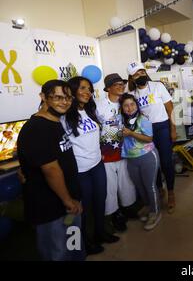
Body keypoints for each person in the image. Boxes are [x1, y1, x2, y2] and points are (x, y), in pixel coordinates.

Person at [17, 80, 84, 261]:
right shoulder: (36, 128)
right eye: (58, 97)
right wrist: (68, 201)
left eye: (68, 97)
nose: (64, 102)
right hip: (52, 208)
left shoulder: (56, 122)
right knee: (58, 253)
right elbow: (51, 171)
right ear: (43, 97)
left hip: (70, 203)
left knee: (74, 245)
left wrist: (73, 198)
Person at [63, 76, 119, 256]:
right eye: (83, 88)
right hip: (81, 170)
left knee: (100, 199)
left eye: (89, 89)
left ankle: (100, 233)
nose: (88, 92)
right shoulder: (64, 117)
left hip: (97, 164)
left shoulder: (90, 111)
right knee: (84, 207)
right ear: (72, 91)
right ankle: (86, 242)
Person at [127, 62, 177, 213]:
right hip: (146, 131)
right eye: (136, 74)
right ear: (131, 78)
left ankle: (171, 192)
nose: (141, 75)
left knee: (166, 161)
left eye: (142, 72)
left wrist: (173, 128)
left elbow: (170, 108)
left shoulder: (157, 86)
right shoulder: (133, 94)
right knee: (151, 162)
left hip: (162, 127)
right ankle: (159, 188)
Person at [96, 73, 137, 233]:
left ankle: (128, 209)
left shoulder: (127, 102)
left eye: (122, 84)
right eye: (117, 84)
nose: (121, 86)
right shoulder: (98, 105)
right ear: (108, 88)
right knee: (110, 188)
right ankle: (114, 215)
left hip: (126, 151)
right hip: (106, 153)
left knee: (126, 183)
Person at [120, 94, 161, 231]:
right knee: (139, 186)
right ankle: (149, 207)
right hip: (131, 159)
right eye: (126, 105)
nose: (129, 108)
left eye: (132, 104)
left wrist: (131, 134)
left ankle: (155, 212)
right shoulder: (121, 121)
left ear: (137, 105)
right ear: (122, 108)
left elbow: (149, 138)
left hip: (147, 156)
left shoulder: (143, 119)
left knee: (149, 185)